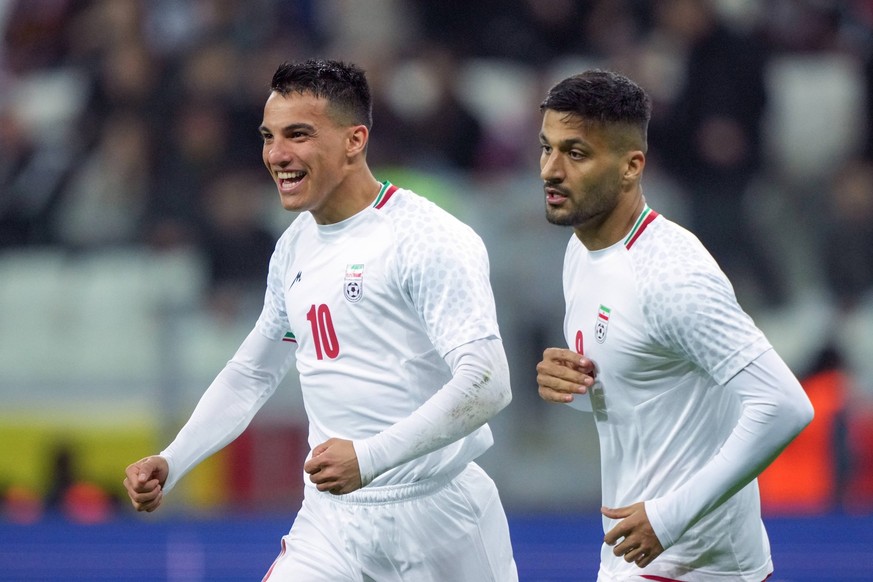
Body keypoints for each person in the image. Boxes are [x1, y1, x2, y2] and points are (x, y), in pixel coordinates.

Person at [123, 59, 518, 581]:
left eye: (298, 135)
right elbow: (253, 373)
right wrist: (174, 460)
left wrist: (370, 457)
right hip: (332, 525)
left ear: (355, 140)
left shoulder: (427, 239)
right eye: (269, 136)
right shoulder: (294, 247)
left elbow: (488, 384)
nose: (276, 155)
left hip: (440, 519)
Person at [534, 69, 814, 581]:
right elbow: (646, 380)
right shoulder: (582, 249)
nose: (551, 170)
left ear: (630, 167)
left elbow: (785, 405)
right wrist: (571, 383)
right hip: (635, 551)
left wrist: (669, 516)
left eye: (576, 154)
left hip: (698, 562)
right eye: (546, 148)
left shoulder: (671, 277)